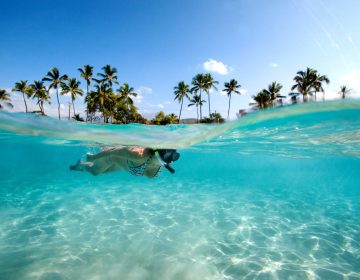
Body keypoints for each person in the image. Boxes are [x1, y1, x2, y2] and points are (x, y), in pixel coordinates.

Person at [69, 146, 180, 178]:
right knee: (95, 172)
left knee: (105, 172)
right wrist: (93, 158)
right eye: (167, 155)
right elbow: (113, 151)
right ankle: (82, 165)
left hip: (124, 164)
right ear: (157, 152)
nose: (170, 160)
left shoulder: (165, 162)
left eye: (174, 156)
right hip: (112, 156)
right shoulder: (139, 155)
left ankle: (80, 165)